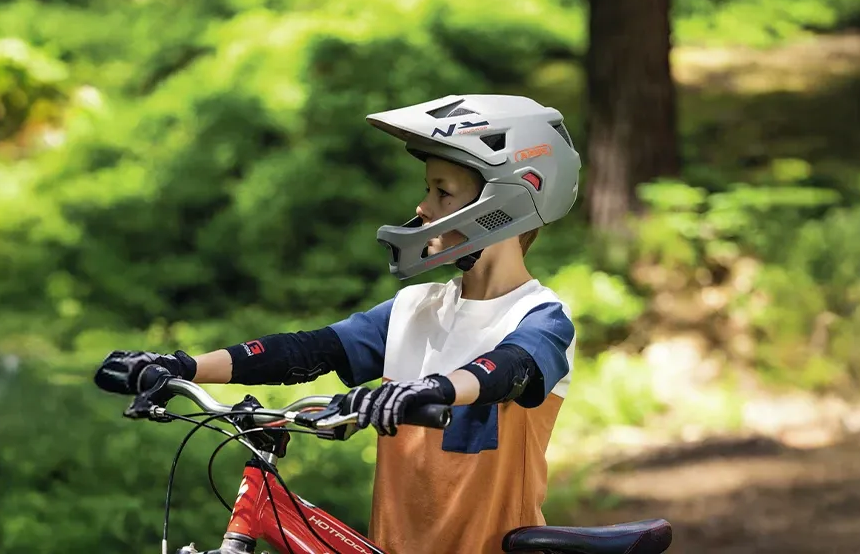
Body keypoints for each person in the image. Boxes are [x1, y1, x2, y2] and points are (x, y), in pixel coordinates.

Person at [94, 94, 581, 554]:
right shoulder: (414, 309)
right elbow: (309, 350)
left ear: (506, 201)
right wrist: (180, 366)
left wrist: (431, 390)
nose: (422, 207)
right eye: (426, 188)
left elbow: (508, 369)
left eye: (442, 191)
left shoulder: (539, 316)